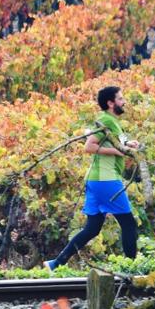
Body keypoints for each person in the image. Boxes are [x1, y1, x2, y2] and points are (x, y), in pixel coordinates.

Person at [45, 86, 140, 271]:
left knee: (92, 229)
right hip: (106, 180)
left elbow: (110, 142)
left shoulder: (111, 121)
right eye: (120, 99)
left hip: (96, 180)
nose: (124, 102)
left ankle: (55, 264)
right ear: (110, 103)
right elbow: (89, 147)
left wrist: (127, 144)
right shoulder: (105, 119)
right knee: (129, 224)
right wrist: (121, 151)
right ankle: (132, 269)